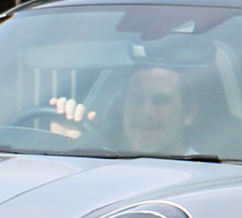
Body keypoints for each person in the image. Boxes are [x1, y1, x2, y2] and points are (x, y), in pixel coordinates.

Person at [46, 63, 202, 155]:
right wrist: (71, 145)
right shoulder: (100, 167)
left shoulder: (205, 179)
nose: (146, 112)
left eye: (160, 101)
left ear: (189, 113)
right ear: (123, 108)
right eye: (136, 99)